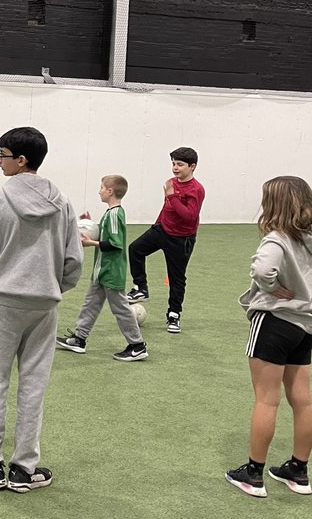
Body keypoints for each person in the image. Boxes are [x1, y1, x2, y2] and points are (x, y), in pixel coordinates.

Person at [0, 127, 82, 493]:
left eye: (3, 154)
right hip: (45, 304)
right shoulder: (63, 202)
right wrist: (52, 287)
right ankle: (25, 468)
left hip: (3, 301)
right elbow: (74, 260)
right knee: (33, 385)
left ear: (21, 159)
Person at [225, 176, 312, 499]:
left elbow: (263, 272)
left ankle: (252, 475)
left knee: (267, 398)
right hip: (306, 327)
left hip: (274, 323)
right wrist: (309, 285)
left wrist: (277, 289)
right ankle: (298, 471)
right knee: (302, 399)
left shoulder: (276, 240)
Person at [56, 175, 147, 361]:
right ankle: (79, 339)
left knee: (120, 308)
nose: (99, 191)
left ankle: (137, 345)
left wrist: (91, 242)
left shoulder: (114, 214)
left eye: (101, 188)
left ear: (110, 191)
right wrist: (90, 227)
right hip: (101, 271)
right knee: (91, 304)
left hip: (111, 271)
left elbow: (115, 244)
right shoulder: (110, 213)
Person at [125, 147, 205, 334]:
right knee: (135, 249)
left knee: (176, 278)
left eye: (180, 164)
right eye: (173, 164)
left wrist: (172, 196)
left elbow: (189, 215)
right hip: (161, 230)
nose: (175, 168)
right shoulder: (171, 182)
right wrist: (157, 225)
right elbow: (167, 207)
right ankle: (141, 288)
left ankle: (174, 315)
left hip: (181, 239)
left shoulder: (196, 189)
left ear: (192, 166)